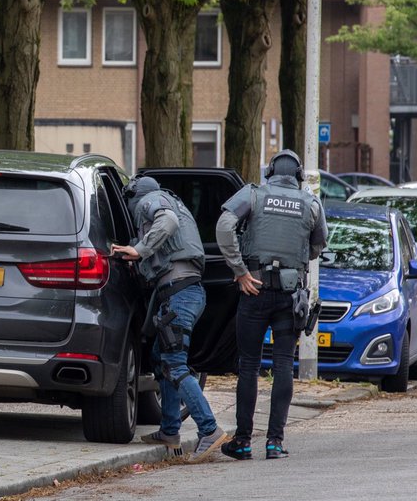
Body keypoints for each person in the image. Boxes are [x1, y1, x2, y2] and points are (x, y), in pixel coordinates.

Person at [215, 149, 327, 461]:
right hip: (290, 296)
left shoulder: (253, 195)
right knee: (283, 366)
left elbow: (224, 225)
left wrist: (239, 270)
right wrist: (297, 259)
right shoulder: (311, 203)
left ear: (271, 172)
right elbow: (319, 243)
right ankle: (275, 442)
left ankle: (243, 441)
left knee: (249, 366)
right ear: (299, 175)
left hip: (254, 289)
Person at [112, 176, 230, 463]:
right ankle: (169, 431)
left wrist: (139, 250)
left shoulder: (151, 201)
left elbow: (167, 222)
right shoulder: (176, 203)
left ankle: (209, 429)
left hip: (180, 295)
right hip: (184, 293)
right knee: (160, 358)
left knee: (175, 364)